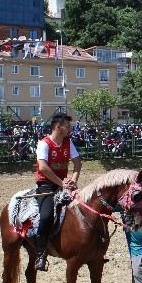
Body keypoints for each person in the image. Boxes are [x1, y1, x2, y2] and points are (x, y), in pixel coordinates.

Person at [33, 113, 81, 272]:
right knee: (46, 215)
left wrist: (73, 180)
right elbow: (43, 168)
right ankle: (40, 253)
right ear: (58, 127)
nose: (70, 129)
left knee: (83, 208)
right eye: (67, 126)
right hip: (46, 185)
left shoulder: (68, 143)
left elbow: (77, 163)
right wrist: (62, 183)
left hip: (64, 184)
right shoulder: (44, 144)